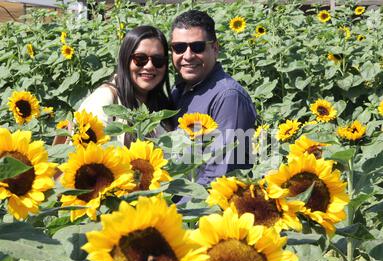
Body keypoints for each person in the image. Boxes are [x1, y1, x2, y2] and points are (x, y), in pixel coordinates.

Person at [170, 10, 257, 186]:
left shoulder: (228, 98)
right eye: (179, 47)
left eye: (197, 47)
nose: (187, 56)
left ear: (215, 48)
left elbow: (219, 175)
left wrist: (175, 211)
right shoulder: (177, 90)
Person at [53, 25, 174, 146]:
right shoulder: (105, 100)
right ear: (125, 59)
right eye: (140, 58)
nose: (149, 66)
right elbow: (87, 155)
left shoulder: (159, 103)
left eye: (158, 60)